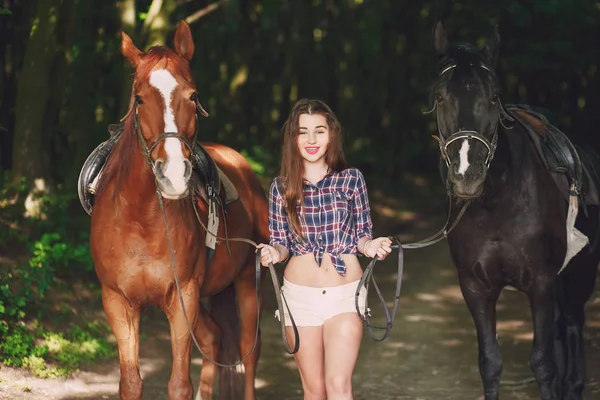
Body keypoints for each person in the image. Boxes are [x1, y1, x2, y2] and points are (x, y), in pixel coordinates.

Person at [258, 98, 393, 400]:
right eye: (302, 132)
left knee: (338, 385)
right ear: (292, 138)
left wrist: (372, 246)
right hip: (299, 298)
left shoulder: (351, 180)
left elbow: (361, 235)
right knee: (314, 391)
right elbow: (281, 242)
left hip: (345, 296)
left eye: (319, 131)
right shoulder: (281, 187)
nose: (311, 140)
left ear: (331, 134)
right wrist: (272, 253)